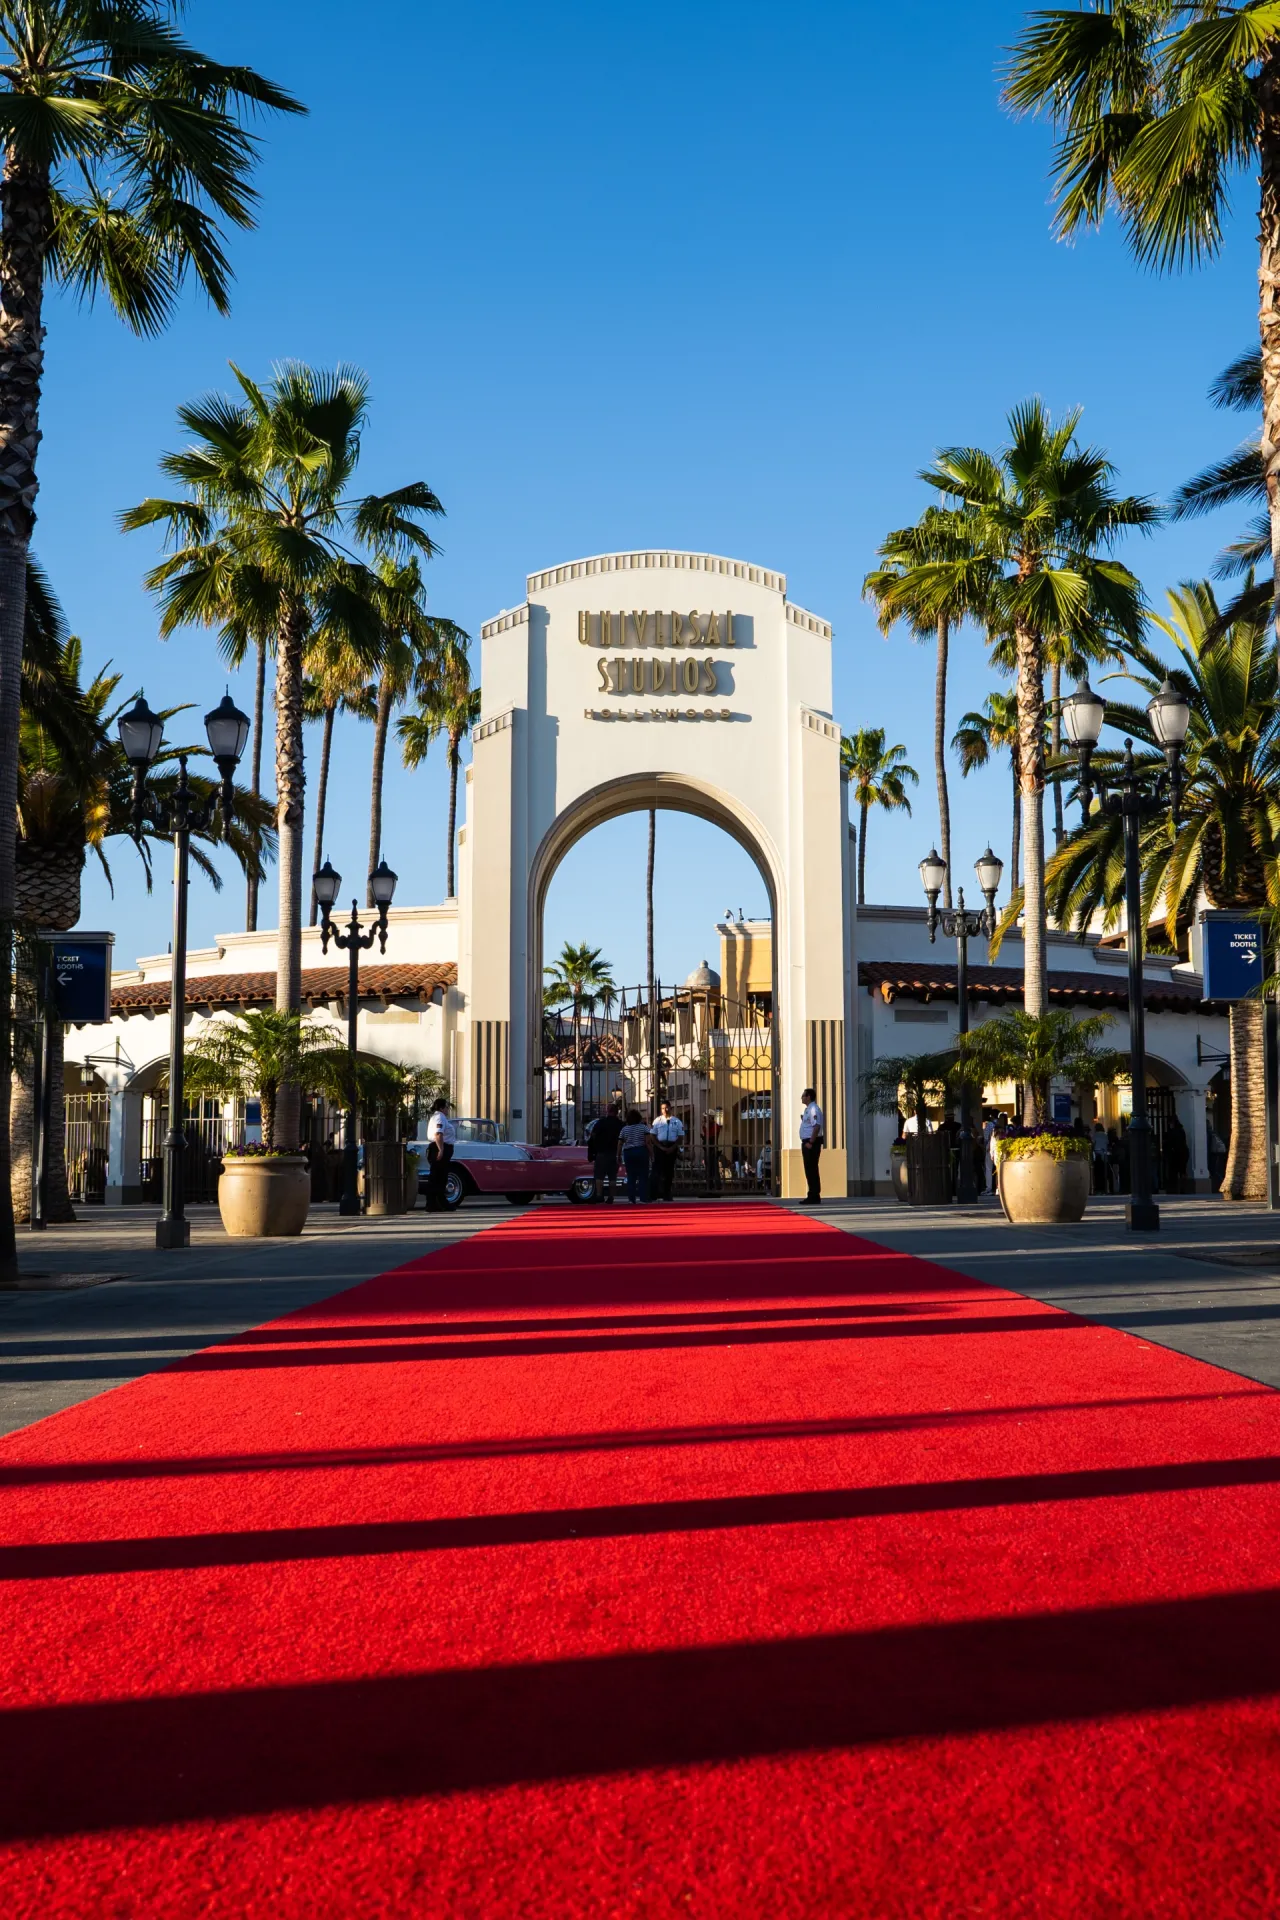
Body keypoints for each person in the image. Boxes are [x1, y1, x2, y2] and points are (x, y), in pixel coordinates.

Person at [424, 1097, 456, 1212]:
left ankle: (438, 1202)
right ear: (442, 1108)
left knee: (440, 1177)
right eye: (447, 1107)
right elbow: (438, 1134)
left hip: (440, 1147)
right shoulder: (439, 1117)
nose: (448, 1109)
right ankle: (433, 1203)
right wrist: (441, 1150)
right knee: (438, 1177)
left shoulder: (438, 1117)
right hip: (439, 1148)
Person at [650, 1100, 685, 1201]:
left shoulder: (677, 1122)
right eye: (662, 1108)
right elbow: (652, 1135)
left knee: (669, 1172)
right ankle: (654, 1194)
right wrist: (660, 1147)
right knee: (656, 1171)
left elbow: (680, 1136)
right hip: (659, 1146)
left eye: (666, 1108)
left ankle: (667, 1193)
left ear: (670, 1108)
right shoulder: (657, 1121)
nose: (664, 1110)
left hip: (671, 1146)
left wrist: (672, 1148)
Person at [589, 1103, 623, 1203]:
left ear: (608, 1111)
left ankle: (599, 1195)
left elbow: (593, 1137)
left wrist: (593, 1151)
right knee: (613, 1176)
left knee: (599, 1175)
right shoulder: (620, 1124)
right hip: (615, 1152)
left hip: (602, 1153)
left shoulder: (601, 1122)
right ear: (617, 1112)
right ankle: (611, 1197)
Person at [619, 1107, 651, 1204]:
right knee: (643, 1176)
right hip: (641, 1151)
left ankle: (631, 1198)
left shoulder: (624, 1129)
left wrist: (618, 1155)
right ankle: (643, 1197)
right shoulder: (644, 1127)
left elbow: (620, 1143)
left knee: (631, 1176)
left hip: (629, 1153)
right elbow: (648, 1142)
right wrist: (652, 1154)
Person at [799, 1086, 824, 1204]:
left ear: (808, 1097)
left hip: (811, 1142)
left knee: (812, 1169)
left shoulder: (813, 1109)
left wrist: (810, 1142)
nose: (801, 1098)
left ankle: (814, 1195)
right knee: (809, 1169)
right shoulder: (808, 1109)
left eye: (803, 1095)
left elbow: (817, 1126)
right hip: (808, 1141)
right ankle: (812, 1194)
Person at [1092, 1121, 1111, 1195]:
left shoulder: (1095, 1135)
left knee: (1097, 1173)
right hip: (1104, 1156)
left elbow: (1093, 1144)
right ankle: (1105, 1188)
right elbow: (1107, 1144)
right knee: (1104, 1173)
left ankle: (1098, 1188)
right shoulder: (1105, 1135)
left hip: (1097, 1155)